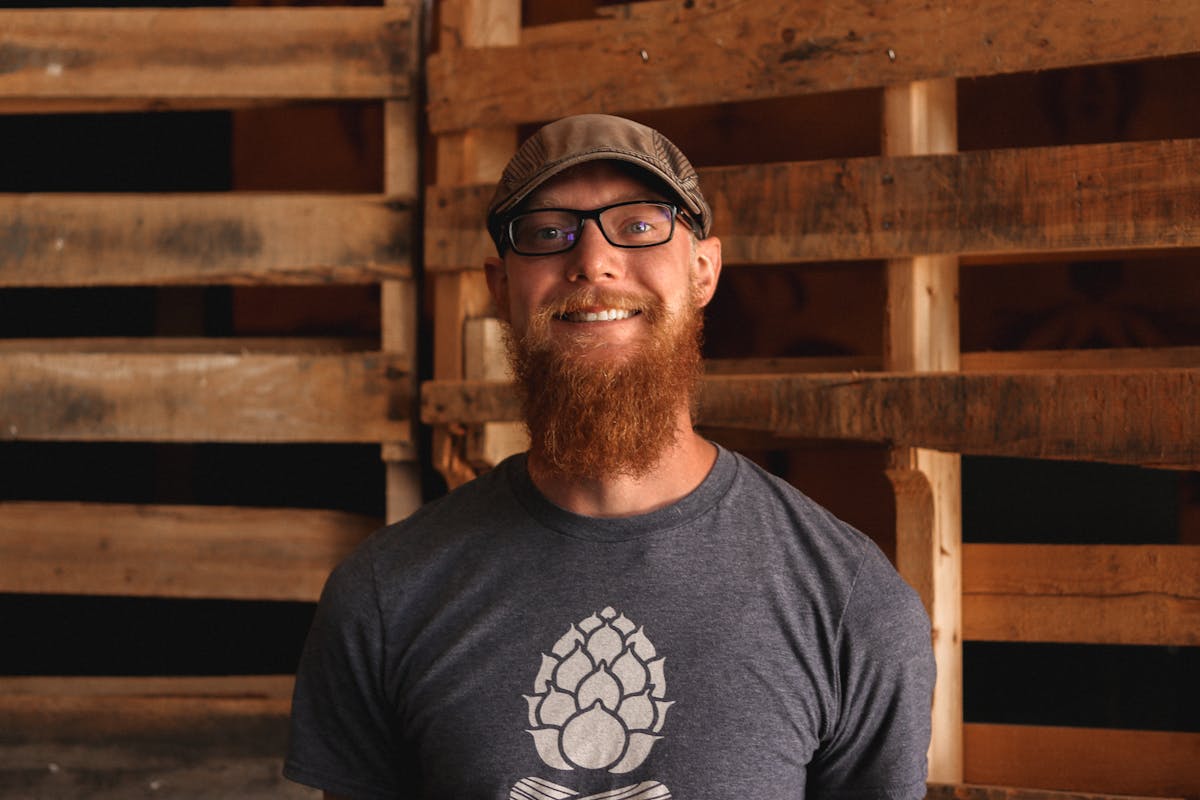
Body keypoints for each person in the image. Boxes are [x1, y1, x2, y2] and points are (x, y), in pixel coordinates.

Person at [284, 114, 935, 799]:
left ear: (704, 269)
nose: (592, 260)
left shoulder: (851, 606)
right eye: (547, 232)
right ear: (500, 287)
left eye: (639, 224)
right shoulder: (386, 597)